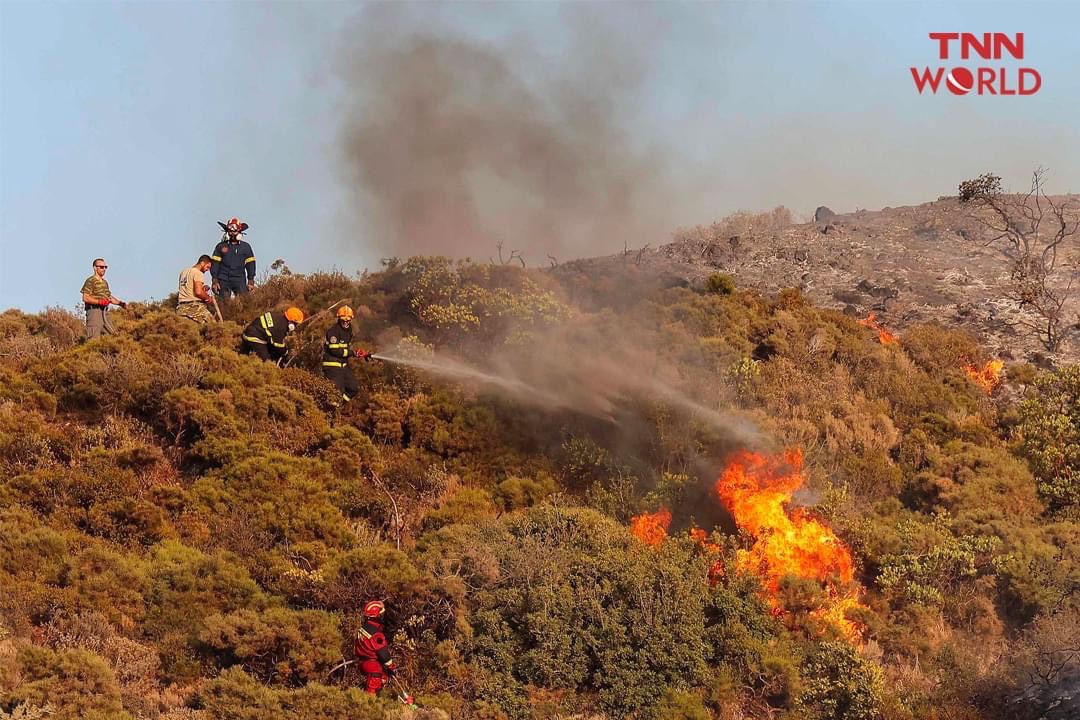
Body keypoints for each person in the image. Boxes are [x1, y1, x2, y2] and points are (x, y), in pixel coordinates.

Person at [322, 305, 373, 403]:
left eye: (348, 320)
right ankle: (330, 411)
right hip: (332, 366)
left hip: (343, 365)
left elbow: (347, 349)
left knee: (353, 388)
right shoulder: (333, 332)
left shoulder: (349, 331)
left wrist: (361, 354)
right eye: (343, 320)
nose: (345, 322)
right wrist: (353, 353)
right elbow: (335, 351)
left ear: (351, 319)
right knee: (336, 392)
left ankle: (339, 405)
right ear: (339, 319)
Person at [353, 600, 401, 696]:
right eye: (381, 614)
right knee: (373, 685)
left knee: (383, 678)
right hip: (372, 665)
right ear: (377, 616)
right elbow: (383, 653)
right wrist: (391, 667)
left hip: (362, 661)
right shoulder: (376, 633)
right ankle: (370, 704)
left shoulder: (364, 628)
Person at [80, 258, 126, 339]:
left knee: (113, 336)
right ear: (95, 267)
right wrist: (99, 302)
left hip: (105, 312)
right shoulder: (90, 280)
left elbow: (109, 297)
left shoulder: (104, 282)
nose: (104, 269)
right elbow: (85, 298)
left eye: (105, 267)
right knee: (94, 339)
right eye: (101, 267)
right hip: (94, 312)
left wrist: (120, 303)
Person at [210, 217, 256, 299]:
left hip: (239, 279)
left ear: (239, 232)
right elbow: (215, 264)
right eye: (230, 231)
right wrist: (214, 280)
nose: (232, 233)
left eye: (234, 231)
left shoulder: (246, 247)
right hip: (223, 279)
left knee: (244, 302)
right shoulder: (220, 246)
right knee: (223, 304)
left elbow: (251, 264)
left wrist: (251, 280)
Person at [177, 255, 216, 324]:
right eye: (208, 267)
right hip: (194, 307)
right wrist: (208, 298)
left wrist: (203, 289)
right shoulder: (198, 273)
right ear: (202, 263)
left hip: (181, 308)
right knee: (213, 326)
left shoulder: (184, 272)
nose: (208, 270)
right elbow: (198, 292)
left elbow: (188, 288)